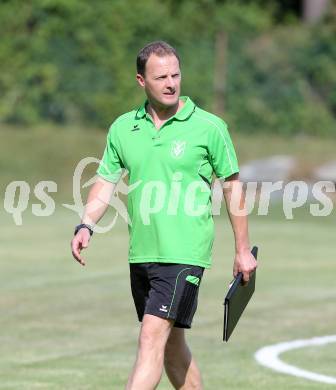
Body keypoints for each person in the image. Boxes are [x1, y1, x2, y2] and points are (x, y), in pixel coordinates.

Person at [71, 41, 257, 390]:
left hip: (184, 253)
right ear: (141, 80)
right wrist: (86, 225)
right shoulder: (124, 128)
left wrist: (242, 249)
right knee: (171, 349)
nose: (171, 83)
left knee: (150, 341)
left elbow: (233, 188)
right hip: (141, 253)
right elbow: (105, 182)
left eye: (176, 75)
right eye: (161, 77)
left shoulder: (209, 127)